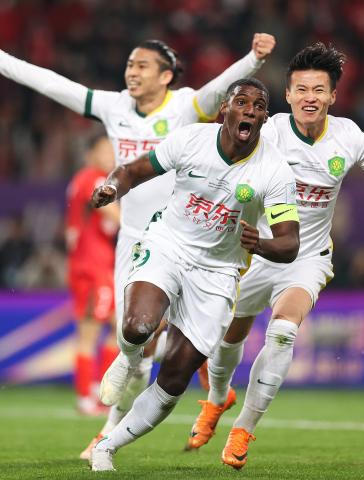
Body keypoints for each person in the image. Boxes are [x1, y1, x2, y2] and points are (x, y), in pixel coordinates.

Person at [0, 32, 275, 455]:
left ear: (165, 76)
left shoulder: (186, 106)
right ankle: (178, 382)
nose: (132, 72)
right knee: (133, 337)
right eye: (130, 64)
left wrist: (254, 59)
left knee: (151, 342)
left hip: (183, 236)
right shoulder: (114, 107)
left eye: (142, 66)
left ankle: (111, 430)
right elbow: (56, 85)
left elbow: (224, 89)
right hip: (134, 238)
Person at [184, 42, 364, 470]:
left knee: (282, 333)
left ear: (333, 95)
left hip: (306, 257)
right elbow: (219, 155)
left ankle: (243, 429)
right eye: (301, 89)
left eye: (319, 89)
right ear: (288, 94)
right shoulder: (270, 131)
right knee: (227, 337)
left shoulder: (348, 137)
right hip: (254, 251)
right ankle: (217, 398)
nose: (309, 97)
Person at [88, 78, 300, 472]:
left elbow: (289, 244)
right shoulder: (191, 140)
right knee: (138, 325)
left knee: (174, 377)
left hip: (219, 272)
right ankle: (129, 357)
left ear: (264, 118)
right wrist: (112, 188)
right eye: (242, 101)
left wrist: (261, 243)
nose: (250, 110)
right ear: (225, 110)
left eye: (258, 106)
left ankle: (107, 447)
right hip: (169, 244)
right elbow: (134, 169)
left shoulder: (274, 171)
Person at [65, 135, 120, 415]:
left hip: (94, 263)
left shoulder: (81, 179)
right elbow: (115, 216)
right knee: (89, 332)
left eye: (113, 151)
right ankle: (85, 396)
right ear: (91, 154)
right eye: (105, 150)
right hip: (92, 265)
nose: (111, 156)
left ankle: (100, 388)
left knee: (118, 326)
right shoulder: (94, 178)